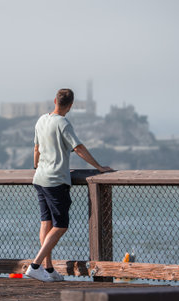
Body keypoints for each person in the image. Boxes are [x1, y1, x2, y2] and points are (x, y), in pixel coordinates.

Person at [25, 88, 114, 282]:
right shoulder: (62, 123)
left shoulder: (41, 120)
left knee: (46, 223)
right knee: (61, 225)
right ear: (71, 105)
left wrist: (36, 165)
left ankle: (48, 270)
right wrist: (98, 166)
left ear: (54, 100)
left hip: (39, 178)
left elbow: (37, 148)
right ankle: (35, 265)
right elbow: (78, 148)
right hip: (56, 180)